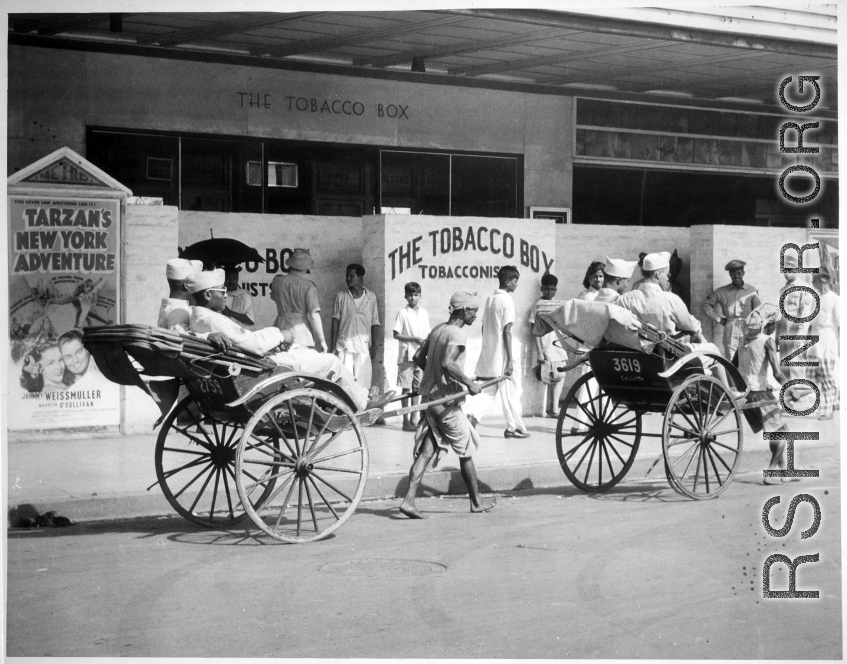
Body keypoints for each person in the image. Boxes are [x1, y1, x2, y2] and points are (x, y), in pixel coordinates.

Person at [186, 269, 392, 412]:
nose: (225, 296)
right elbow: (253, 344)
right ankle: (363, 401)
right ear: (206, 294)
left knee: (306, 352)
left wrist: (276, 335)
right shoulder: (214, 321)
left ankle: (352, 395)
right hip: (264, 367)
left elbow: (246, 338)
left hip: (257, 359)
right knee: (331, 361)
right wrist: (280, 335)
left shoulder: (199, 317)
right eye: (221, 292)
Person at [399, 291, 498, 519]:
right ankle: (476, 502)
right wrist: (468, 382)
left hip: (431, 400)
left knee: (426, 452)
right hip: (447, 405)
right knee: (467, 451)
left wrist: (434, 377)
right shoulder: (456, 334)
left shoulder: (438, 330)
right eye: (474, 311)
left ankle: (409, 501)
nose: (475, 316)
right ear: (464, 310)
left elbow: (418, 358)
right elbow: (448, 363)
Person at [616, 251, 740, 396]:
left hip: (638, 358)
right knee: (712, 348)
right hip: (668, 358)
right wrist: (696, 333)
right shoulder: (670, 299)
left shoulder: (624, 300)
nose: (668, 278)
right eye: (667, 275)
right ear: (657, 275)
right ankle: (726, 393)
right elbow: (690, 325)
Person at [466, 265, 529, 438]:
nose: (517, 285)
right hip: (502, 356)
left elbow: (484, 327)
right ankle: (513, 427)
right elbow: (507, 332)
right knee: (510, 392)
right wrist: (509, 360)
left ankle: (472, 414)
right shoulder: (507, 301)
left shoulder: (490, 299)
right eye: (515, 281)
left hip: (490, 353)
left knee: (490, 390)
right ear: (508, 281)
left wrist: (488, 347)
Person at [736, 305, 789, 484]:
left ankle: (785, 473)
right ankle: (771, 472)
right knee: (784, 432)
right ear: (768, 324)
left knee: (776, 431)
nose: (775, 329)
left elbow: (732, 366)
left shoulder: (742, 341)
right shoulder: (767, 340)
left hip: (745, 394)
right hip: (760, 393)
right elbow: (776, 373)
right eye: (774, 325)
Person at [157, 258, 231, 351]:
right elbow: (181, 336)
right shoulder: (178, 311)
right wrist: (208, 336)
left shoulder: (172, 307)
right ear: (186, 285)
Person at [331, 263, 380, 390]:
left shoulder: (371, 297)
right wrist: (332, 347)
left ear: (360, 278)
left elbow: (375, 322)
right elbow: (335, 321)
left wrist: (374, 345)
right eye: (347, 276)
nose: (348, 279)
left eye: (351, 276)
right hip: (344, 345)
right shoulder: (341, 296)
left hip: (363, 346)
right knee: (343, 383)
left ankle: (362, 408)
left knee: (363, 383)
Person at [702, 259, 761, 361]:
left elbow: (758, 312)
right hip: (730, 328)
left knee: (747, 359)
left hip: (747, 328)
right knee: (731, 359)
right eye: (733, 273)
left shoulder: (752, 291)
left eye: (739, 273)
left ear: (743, 273)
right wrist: (719, 319)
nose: (736, 276)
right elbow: (705, 304)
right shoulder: (722, 292)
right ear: (730, 274)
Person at [270, 248, 327, 352]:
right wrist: (321, 340)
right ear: (306, 267)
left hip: (280, 328)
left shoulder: (277, 281)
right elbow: (314, 315)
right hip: (301, 334)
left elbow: (273, 297)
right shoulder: (309, 286)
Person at [393, 282, 431, 431]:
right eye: (410, 295)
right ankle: (405, 420)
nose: (413, 298)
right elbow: (396, 334)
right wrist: (413, 339)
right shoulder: (403, 313)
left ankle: (414, 418)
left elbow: (428, 335)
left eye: (415, 295)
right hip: (406, 355)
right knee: (406, 388)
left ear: (420, 296)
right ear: (405, 296)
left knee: (418, 388)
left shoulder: (424, 313)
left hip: (420, 356)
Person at [528, 273, 567, 418]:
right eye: (546, 289)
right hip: (545, 345)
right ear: (542, 289)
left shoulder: (557, 304)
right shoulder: (537, 305)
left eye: (552, 289)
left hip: (557, 344)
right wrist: (539, 351)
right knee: (547, 376)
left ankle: (554, 408)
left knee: (560, 375)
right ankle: (545, 409)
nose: (549, 292)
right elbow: (534, 330)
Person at [778, 253, 817, 386]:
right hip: (784, 335)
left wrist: (799, 339)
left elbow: (805, 316)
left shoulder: (804, 288)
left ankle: (799, 403)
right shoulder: (783, 289)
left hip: (796, 336)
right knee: (784, 370)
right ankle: (788, 400)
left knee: (796, 370)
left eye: (790, 269)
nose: (786, 273)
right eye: (784, 269)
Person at [810, 270, 839, 420]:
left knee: (827, 376)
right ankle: (833, 400)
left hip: (828, 342)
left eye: (814, 280)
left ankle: (829, 411)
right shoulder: (817, 299)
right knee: (819, 377)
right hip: (817, 343)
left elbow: (840, 325)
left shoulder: (835, 299)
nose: (812, 284)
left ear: (821, 280)